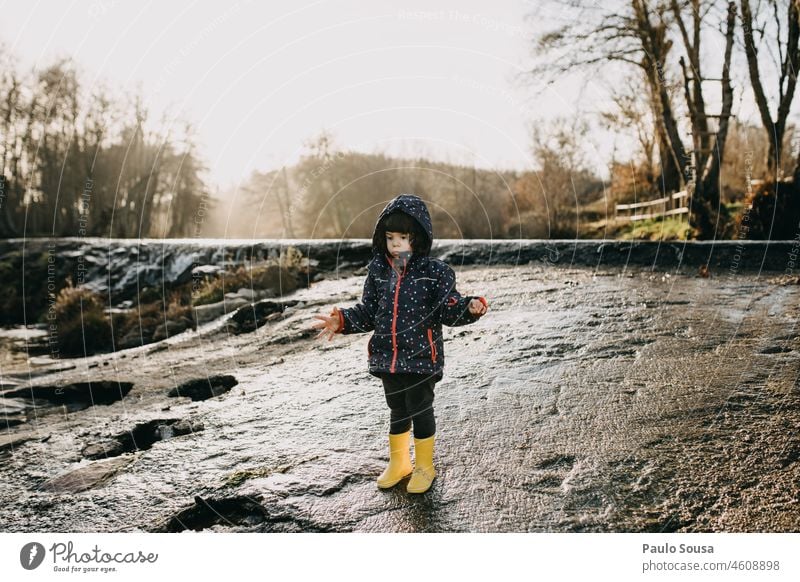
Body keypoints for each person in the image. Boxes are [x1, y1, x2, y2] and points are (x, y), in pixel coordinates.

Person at [310, 194, 488, 494]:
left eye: (403, 237)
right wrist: (342, 321)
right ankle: (399, 463)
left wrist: (468, 307)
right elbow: (368, 312)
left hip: (421, 358)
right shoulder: (378, 271)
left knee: (421, 410)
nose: (395, 244)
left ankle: (424, 465)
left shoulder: (434, 273)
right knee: (397, 411)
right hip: (388, 358)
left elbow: (448, 308)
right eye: (390, 237)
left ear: (416, 239)